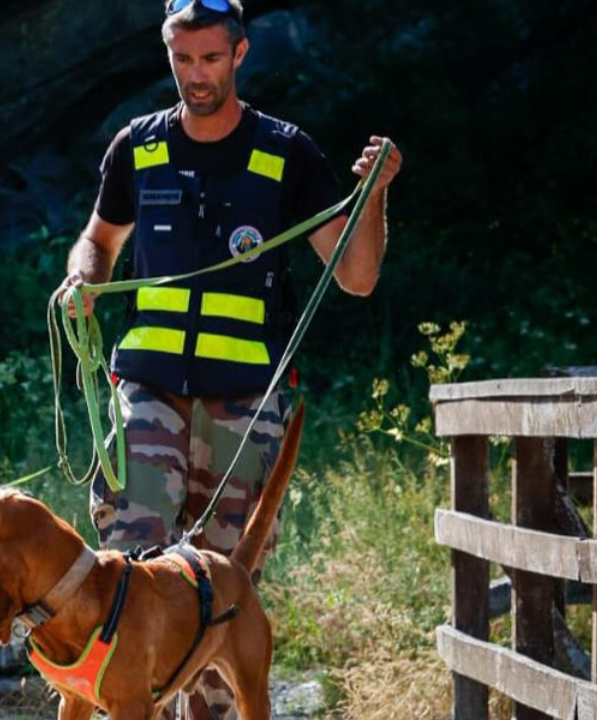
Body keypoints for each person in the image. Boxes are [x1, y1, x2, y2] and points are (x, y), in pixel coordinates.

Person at [62, 1, 402, 718]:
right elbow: (98, 240)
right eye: (182, 59)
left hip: (244, 405)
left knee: (216, 592)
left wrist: (373, 196)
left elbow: (358, 276)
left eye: (211, 58)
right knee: (129, 576)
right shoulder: (136, 147)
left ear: (240, 54)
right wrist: (83, 280)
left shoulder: (287, 152)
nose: (196, 75)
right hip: (149, 389)